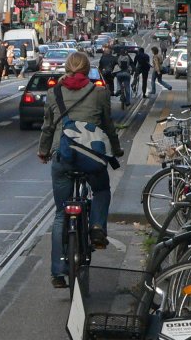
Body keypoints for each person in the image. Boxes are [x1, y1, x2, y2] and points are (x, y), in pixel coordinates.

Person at [38, 51, 123, 289]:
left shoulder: (54, 92)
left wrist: (44, 151)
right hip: (91, 157)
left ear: (66, 68)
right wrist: (116, 151)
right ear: (88, 70)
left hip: (63, 156)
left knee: (59, 213)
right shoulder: (99, 93)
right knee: (101, 190)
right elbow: (108, 126)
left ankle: (57, 272)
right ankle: (96, 226)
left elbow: (47, 127)